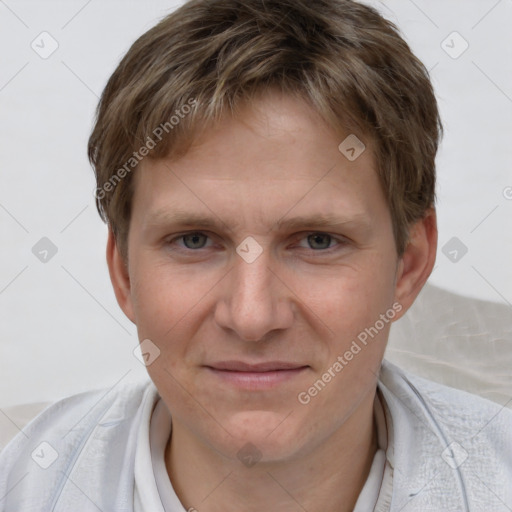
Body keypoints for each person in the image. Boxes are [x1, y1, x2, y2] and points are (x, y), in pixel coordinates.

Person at [1, 0, 511, 510]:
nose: (251, 317)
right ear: (124, 273)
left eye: (317, 241)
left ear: (409, 265)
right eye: (195, 240)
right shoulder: (22, 483)